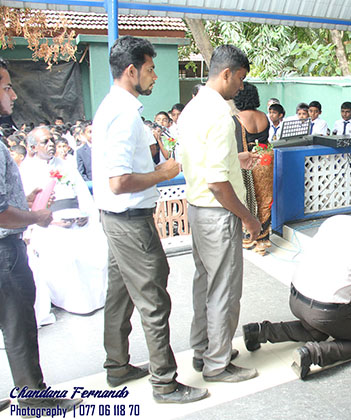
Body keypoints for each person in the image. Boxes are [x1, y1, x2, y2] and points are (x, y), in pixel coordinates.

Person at [91, 35, 208, 404]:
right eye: (150, 69)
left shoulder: (112, 107)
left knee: (120, 293)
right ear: (131, 71)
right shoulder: (124, 115)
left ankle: (117, 365)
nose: (154, 76)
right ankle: (165, 382)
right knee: (154, 299)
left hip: (115, 218)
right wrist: (163, 172)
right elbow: (120, 181)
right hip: (129, 219)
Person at [0, 56, 82, 413]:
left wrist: (25, 200)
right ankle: (34, 398)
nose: (13, 94)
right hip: (5, 254)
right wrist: (34, 215)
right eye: (5, 86)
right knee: (19, 328)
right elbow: (1, 213)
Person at [178, 44, 261, 383]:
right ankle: (218, 363)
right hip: (218, 212)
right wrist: (249, 217)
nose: (241, 87)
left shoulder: (192, 108)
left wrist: (233, 161)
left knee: (205, 285)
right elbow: (217, 184)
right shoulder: (220, 116)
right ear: (226, 73)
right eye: (240, 79)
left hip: (197, 211)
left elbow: (198, 161)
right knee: (224, 290)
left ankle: (204, 349)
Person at [242, 214, 351, 379]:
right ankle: (310, 354)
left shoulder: (339, 219)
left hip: (296, 297)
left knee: (317, 333)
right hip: (324, 311)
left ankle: (259, 331)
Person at [20, 126, 108, 325]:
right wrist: (51, 221)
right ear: (33, 147)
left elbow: (82, 193)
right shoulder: (26, 169)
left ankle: (95, 298)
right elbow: (27, 206)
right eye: (45, 142)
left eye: (52, 140)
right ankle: (69, 301)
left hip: (76, 218)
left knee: (94, 251)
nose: (51, 144)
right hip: (47, 226)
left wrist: (85, 215)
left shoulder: (65, 164)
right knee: (69, 257)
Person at [233, 82, 273, 255]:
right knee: (265, 198)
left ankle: (250, 237)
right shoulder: (264, 115)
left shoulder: (238, 118)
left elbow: (238, 147)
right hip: (266, 158)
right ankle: (264, 239)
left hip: (249, 160)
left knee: (248, 197)